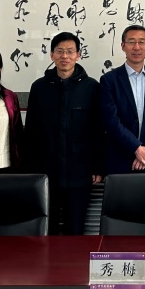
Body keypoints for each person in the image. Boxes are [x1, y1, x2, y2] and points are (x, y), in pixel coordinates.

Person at [24, 32, 103, 235]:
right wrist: (30, 169)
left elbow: (97, 131)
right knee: (45, 229)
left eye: (70, 51)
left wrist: (97, 166)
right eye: (59, 51)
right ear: (52, 55)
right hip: (46, 172)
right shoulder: (39, 87)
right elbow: (31, 131)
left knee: (75, 230)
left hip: (79, 172)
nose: (64, 56)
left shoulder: (91, 87)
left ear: (78, 55)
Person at [99, 25, 145, 175]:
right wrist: (136, 148)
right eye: (131, 42)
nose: (137, 47)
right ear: (123, 46)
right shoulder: (109, 80)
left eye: (142, 42)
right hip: (120, 159)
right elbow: (111, 120)